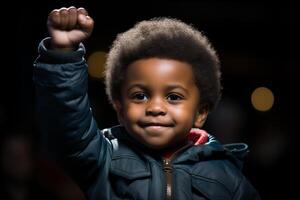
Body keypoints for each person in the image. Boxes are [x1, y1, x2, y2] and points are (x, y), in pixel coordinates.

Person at [33, 6, 261, 200]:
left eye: (173, 97)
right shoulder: (103, 158)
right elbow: (67, 123)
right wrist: (63, 54)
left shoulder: (227, 177)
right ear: (120, 109)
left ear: (201, 113)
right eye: (140, 96)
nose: (155, 108)